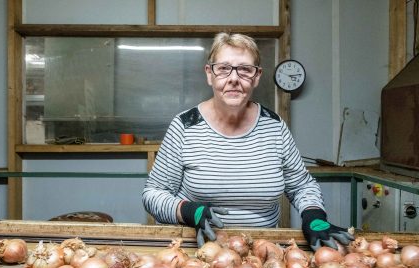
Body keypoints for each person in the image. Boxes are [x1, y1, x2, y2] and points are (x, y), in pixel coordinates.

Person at [142, 32, 353, 251]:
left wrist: (314, 215)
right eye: (223, 68)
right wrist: (187, 210)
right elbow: (153, 194)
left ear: (257, 76)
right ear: (209, 74)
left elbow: (301, 186)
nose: (233, 78)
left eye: (244, 69)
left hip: (261, 256)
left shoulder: (274, 126)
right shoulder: (185, 126)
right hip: (199, 253)